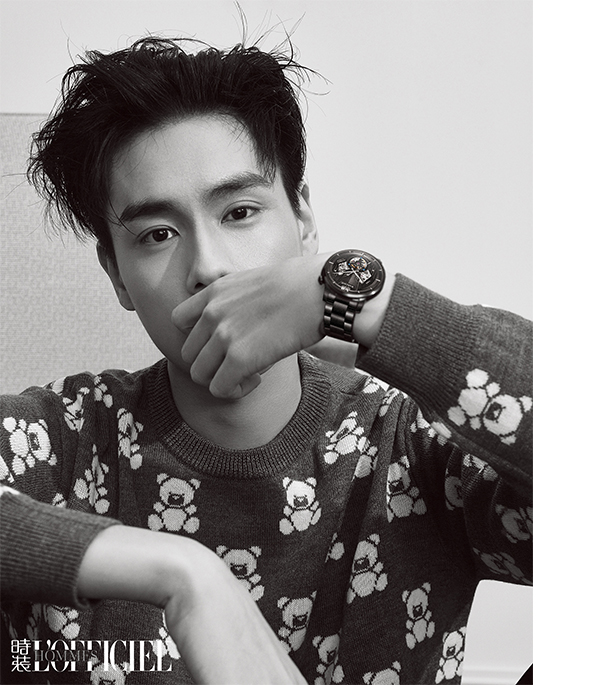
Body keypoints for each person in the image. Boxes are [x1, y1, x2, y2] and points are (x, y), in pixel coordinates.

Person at [0, 37, 532, 684]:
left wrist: (366, 302)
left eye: (240, 212)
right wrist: (186, 576)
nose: (209, 266)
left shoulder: (410, 447)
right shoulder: (65, 442)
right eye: (157, 234)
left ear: (303, 223)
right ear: (116, 273)